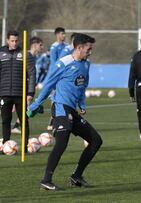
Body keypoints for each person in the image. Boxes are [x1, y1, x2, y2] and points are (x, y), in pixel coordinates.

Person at [27, 33, 102, 190]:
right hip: (60, 107)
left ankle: (76, 177)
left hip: (72, 110)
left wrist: (81, 104)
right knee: (61, 143)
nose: (90, 52)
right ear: (79, 47)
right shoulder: (63, 63)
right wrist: (35, 105)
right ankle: (46, 180)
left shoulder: (86, 64)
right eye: (89, 49)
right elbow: (48, 85)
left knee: (96, 140)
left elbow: (82, 85)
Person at [0, 30, 36, 151]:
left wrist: (30, 93)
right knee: (5, 121)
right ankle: (6, 146)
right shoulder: (0, 53)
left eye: (16, 41)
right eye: (12, 41)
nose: (14, 43)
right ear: (7, 40)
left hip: (21, 94)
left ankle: (25, 147)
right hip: (4, 94)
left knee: (24, 121)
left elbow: (32, 74)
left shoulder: (25, 54)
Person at [11, 36, 43, 134]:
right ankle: (16, 126)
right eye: (40, 45)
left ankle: (16, 126)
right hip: (21, 86)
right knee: (23, 108)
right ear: (35, 45)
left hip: (28, 86)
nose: (42, 47)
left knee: (26, 107)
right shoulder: (26, 55)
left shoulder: (35, 57)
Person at [46, 27, 68, 131]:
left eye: (64, 34)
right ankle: (54, 120)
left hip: (64, 76)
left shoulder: (67, 46)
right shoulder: (54, 47)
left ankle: (57, 120)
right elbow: (54, 62)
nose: (64, 36)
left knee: (62, 97)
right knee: (54, 98)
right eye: (62, 34)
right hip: (55, 76)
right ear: (57, 35)